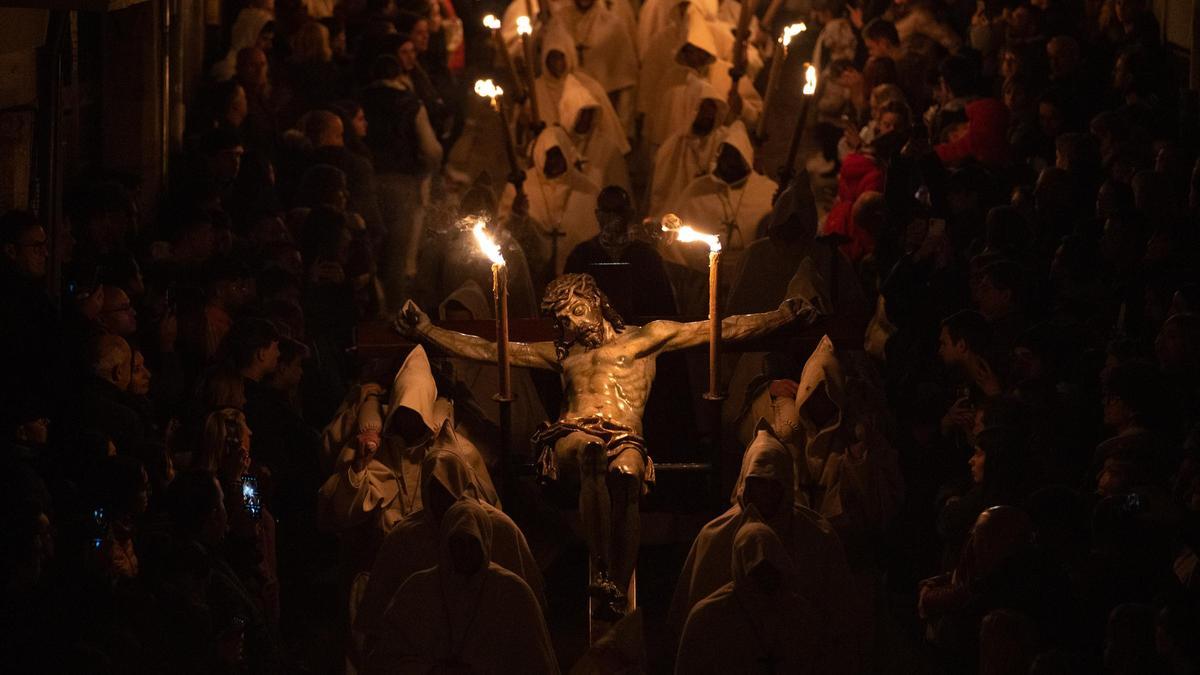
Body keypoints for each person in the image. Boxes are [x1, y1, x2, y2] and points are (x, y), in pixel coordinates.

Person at [397, 273, 821, 619]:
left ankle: (619, 578)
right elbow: (490, 349)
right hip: (572, 433)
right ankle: (599, 568)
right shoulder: (563, 356)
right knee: (592, 456)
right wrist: (428, 330)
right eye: (564, 319)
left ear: (596, 301)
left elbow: (720, 328)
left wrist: (782, 317)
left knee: (628, 473)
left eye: (577, 310)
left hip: (626, 435)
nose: (574, 324)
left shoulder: (647, 339)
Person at [669, 424, 858, 669]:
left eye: (772, 484)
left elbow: (840, 623)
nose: (764, 493)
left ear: (786, 484)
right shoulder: (715, 536)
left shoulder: (817, 536)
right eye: (757, 483)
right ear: (744, 484)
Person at [355, 449, 544, 646]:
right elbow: (379, 620)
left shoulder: (500, 529)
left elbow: (525, 609)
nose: (441, 500)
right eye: (434, 491)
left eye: (446, 489)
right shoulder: (405, 538)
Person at [364, 499, 558, 674]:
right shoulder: (417, 590)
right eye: (458, 543)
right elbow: (386, 660)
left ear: (485, 543)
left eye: (472, 543)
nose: (464, 552)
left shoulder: (512, 592)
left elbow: (535, 664)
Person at [675, 521, 829, 674]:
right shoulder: (708, 616)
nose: (765, 579)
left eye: (770, 569)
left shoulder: (800, 614)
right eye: (757, 571)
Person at [361, 54, 443, 308]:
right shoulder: (410, 104)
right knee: (397, 256)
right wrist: (427, 171)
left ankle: (370, 311)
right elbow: (432, 150)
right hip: (401, 184)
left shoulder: (362, 100)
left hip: (367, 182)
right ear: (400, 76)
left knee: (370, 252)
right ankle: (394, 318)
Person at [564, 186, 677, 319]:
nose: (613, 217)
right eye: (607, 211)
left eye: (619, 211)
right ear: (598, 214)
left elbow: (665, 307)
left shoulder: (647, 256)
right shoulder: (582, 256)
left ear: (629, 214)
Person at [499, 127, 599, 276]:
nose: (553, 162)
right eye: (549, 156)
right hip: (533, 273)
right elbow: (502, 233)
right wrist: (516, 215)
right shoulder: (520, 187)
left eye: (558, 156)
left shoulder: (588, 189)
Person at [673, 121, 777, 258]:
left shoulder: (767, 191)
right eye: (726, 155)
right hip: (700, 270)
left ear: (745, 159)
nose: (729, 163)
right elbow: (675, 241)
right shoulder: (697, 190)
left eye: (735, 156)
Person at [648, 75, 729, 219]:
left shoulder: (723, 139)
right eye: (703, 109)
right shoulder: (672, 147)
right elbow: (661, 192)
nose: (708, 115)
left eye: (711, 110)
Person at [552, 0, 639, 129]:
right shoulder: (558, 22)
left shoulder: (613, 25)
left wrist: (624, 125)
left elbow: (624, 81)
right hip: (564, 109)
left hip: (603, 110)